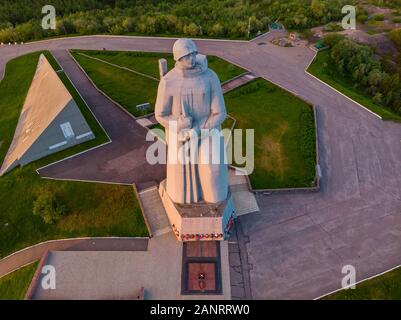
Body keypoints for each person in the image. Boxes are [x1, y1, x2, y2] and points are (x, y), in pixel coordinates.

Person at [155, 38, 228, 204]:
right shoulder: (168, 82)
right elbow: (160, 114)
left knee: (213, 174)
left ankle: (215, 204)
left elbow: (220, 113)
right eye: (187, 56)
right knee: (182, 189)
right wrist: (178, 124)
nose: (192, 59)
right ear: (178, 58)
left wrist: (198, 130)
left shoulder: (210, 77)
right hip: (181, 135)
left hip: (207, 130)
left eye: (193, 54)